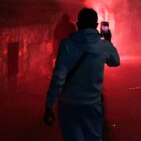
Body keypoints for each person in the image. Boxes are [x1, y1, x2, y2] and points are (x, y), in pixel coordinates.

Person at [44, 8, 120, 141]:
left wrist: (49, 105)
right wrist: (108, 41)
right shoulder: (103, 46)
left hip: (69, 105)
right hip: (93, 105)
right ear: (97, 26)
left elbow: (58, 78)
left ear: (78, 25)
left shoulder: (66, 45)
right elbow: (115, 61)